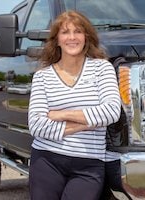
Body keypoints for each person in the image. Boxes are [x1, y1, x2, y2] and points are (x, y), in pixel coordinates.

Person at [28, 10, 121, 200]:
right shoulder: (42, 76)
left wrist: (61, 114)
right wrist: (91, 121)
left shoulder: (102, 68)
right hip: (46, 159)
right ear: (57, 40)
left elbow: (111, 112)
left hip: (89, 163)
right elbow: (36, 125)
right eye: (65, 32)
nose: (72, 37)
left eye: (78, 31)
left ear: (86, 37)